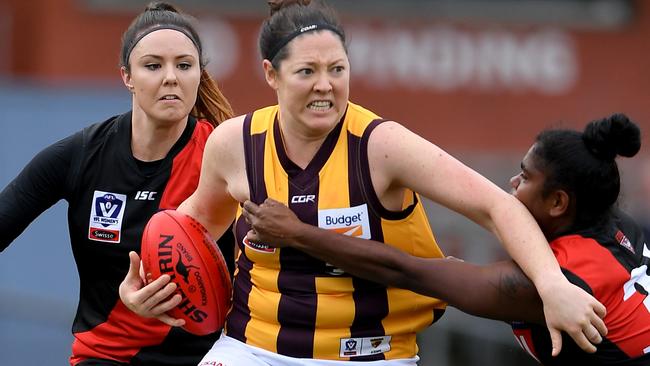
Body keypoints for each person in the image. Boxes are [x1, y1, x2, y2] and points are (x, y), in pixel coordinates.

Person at [120, 1, 606, 364]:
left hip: (371, 354)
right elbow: (189, 228)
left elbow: (497, 207)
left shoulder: (381, 145)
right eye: (306, 71)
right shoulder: (234, 143)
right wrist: (141, 285)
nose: (325, 85)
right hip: (252, 349)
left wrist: (552, 285)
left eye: (337, 69)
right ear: (271, 74)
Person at [242, 113, 650, 365]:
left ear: (559, 202)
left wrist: (298, 233)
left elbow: (406, 270)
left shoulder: (554, 285)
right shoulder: (616, 226)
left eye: (525, 177)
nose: (512, 183)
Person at [0, 2, 236, 365]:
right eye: (153, 65)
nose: (170, 77)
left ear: (200, 75)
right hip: (106, 356)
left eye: (184, 65)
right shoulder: (82, 154)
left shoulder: (226, 152)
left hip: (210, 356)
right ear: (127, 76)